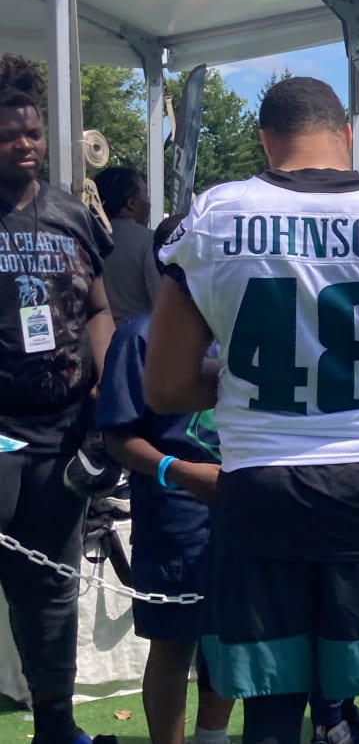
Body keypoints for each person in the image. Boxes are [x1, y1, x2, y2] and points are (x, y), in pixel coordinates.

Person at [144, 76, 359, 744]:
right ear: (345, 136)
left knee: (272, 703)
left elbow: (166, 386)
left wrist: (250, 375)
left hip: (262, 481)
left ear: (265, 140)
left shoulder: (215, 215)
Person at [0, 53, 118, 744]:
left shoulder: (71, 215)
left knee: (51, 587)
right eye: (10, 133)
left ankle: (56, 725)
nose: (24, 143)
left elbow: (100, 305)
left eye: (34, 133)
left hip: (62, 432)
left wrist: (105, 376)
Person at [98, 215, 236, 744]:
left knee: (230, 636)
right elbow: (117, 436)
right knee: (173, 644)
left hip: (240, 512)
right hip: (173, 515)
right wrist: (177, 471)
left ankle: (212, 736)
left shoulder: (240, 331)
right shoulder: (138, 336)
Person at [93, 166, 159, 326]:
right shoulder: (150, 240)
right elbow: (163, 302)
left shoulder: (85, 239)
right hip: (136, 342)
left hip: (93, 341)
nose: (149, 205)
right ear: (132, 203)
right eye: (147, 197)